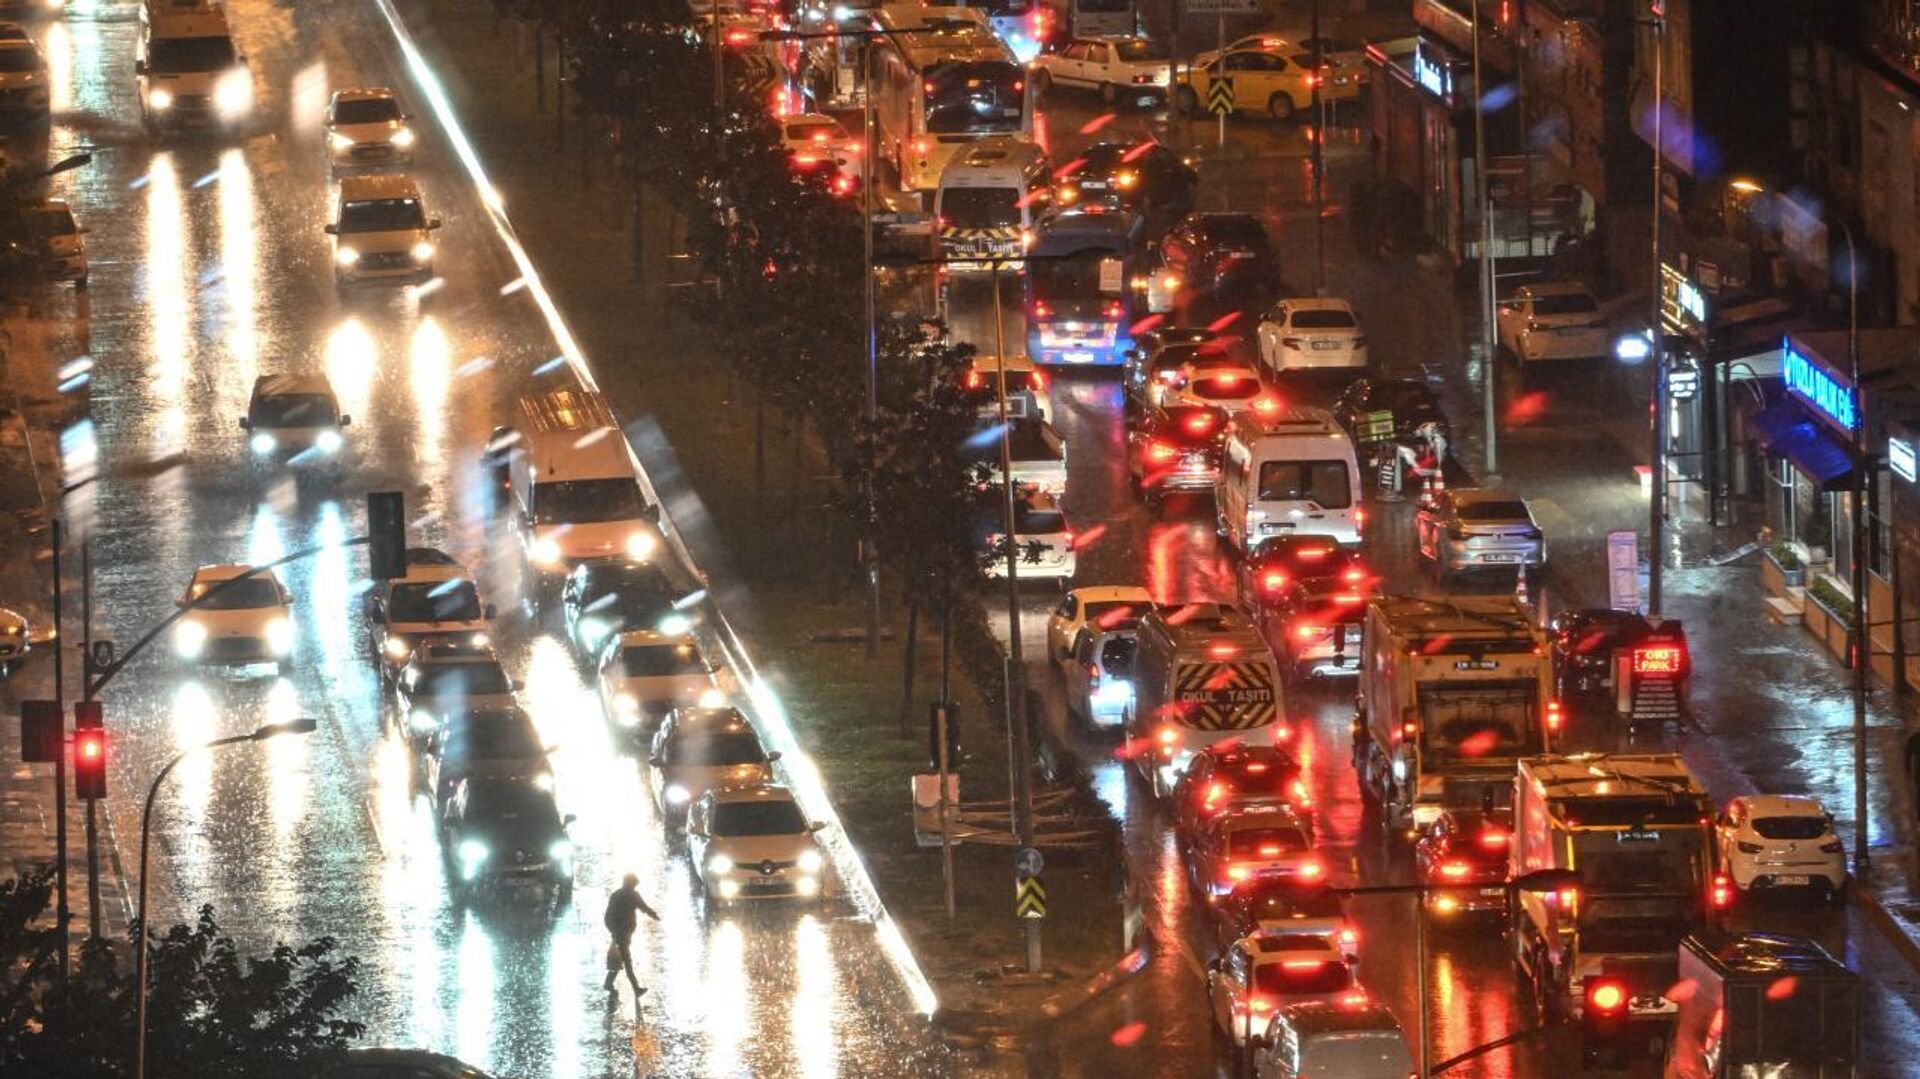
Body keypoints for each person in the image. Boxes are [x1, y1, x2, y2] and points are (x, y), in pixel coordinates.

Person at [603, 873, 661, 1000]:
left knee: (619, 960)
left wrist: (613, 931)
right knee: (627, 962)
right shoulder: (633, 895)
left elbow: (607, 916)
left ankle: (608, 983)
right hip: (623, 934)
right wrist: (654, 915)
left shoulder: (616, 895)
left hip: (620, 933)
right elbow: (644, 907)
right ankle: (636, 989)